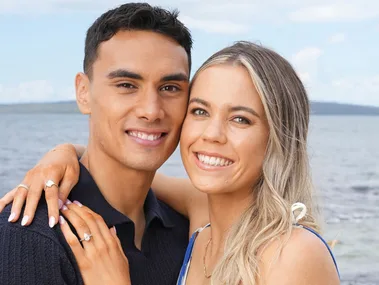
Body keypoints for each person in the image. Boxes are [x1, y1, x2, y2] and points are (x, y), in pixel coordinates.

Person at [1, 41, 340, 284]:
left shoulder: (291, 255)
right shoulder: (200, 223)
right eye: (200, 111)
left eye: (241, 120)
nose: (212, 135)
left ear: (278, 138)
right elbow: (121, 168)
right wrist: (61, 155)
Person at [0, 2, 193, 285]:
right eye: (127, 85)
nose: (151, 110)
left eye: (170, 88)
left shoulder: (185, 229)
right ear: (83, 93)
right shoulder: (30, 234)